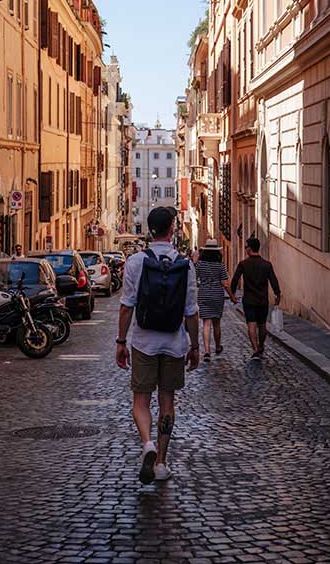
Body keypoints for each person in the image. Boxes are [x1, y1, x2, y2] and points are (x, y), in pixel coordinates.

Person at [116, 206, 199, 484]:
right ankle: (162, 462)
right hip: (174, 343)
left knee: (141, 401)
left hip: (143, 342)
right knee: (167, 402)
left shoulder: (135, 262)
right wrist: (195, 346)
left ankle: (147, 444)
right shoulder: (185, 264)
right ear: (172, 229)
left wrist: (120, 341)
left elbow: (127, 307)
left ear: (149, 230)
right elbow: (191, 311)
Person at [231, 236, 281, 361]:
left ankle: (255, 348)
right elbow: (274, 281)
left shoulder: (243, 264)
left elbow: (235, 279)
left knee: (251, 324)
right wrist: (277, 294)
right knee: (262, 324)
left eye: (246, 247)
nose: (246, 249)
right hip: (262, 300)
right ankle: (261, 345)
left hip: (249, 300)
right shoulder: (267, 265)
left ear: (250, 248)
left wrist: (232, 294)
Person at [196, 239, 236, 362]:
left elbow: (194, 279)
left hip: (203, 294)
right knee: (216, 323)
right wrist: (232, 296)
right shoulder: (220, 266)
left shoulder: (200, 265)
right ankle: (218, 346)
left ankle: (207, 351)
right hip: (217, 295)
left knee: (206, 323)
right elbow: (225, 283)